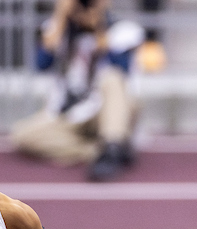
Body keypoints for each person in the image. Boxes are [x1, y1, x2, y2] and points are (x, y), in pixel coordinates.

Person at [10, 1, 142, 181]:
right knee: (23, 136)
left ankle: (112, 143)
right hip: (72, 112)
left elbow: (121, 69)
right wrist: (61, 16)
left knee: (112, 78)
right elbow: (41, 63)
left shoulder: (123, 30)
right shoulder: (58, 29)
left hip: (108, 111)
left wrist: (99, 27)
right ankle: (101, 151)